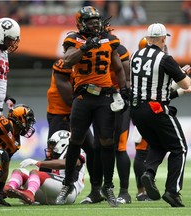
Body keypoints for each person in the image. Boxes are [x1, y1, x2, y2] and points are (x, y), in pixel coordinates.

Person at [55, 6, 128, 207]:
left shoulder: (109, 40)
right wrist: (86, 47)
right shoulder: (73, 39)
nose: (96, 23)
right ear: (81, 23)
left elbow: (118, 67)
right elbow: (68, 61)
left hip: (104, 97)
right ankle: (67, 183)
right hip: (83, 98)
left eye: (97, 20)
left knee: (107, 142)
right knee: (76, 140)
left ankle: (108, 186)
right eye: (91, 20)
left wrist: (124, 90)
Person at [130, 23, 191, 207]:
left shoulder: (135, 56)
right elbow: (186, 84)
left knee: (158, 143)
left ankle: (149, 172)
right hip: (156, 109)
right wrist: (182, 73)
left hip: (136, 110)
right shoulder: (165, 58)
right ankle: (172, 192)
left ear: (148, 39)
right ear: (163, 39)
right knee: (179, 148)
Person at [80, 42, 131, 205]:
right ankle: (96, 191)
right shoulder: (90, 48)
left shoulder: (118, 50)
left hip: (117, 100)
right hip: (100, 101)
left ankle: (124, 192)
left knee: (119, 147)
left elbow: (126, 77)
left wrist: (123, 95)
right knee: (96, 146)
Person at [46, 59, 102, 203]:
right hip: (60, 114)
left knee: (92, 150)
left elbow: (96, 90)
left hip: (77, 113)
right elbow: (69, 98)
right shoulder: (63, 65)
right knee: (53, 153)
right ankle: (41, 188)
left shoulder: (85, 64)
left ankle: (96, 190)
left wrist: (104, 93)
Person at [4, 130, 86, 205]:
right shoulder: (57, 156)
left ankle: (29, 193)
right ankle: (9, 188)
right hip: (52, 194)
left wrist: (39, 163)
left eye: (53, 145)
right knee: (19, 171)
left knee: (35, 173)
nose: (51, 148)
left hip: (69, 192)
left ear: (63, 143)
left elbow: (67, 163)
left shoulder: (77, 151)